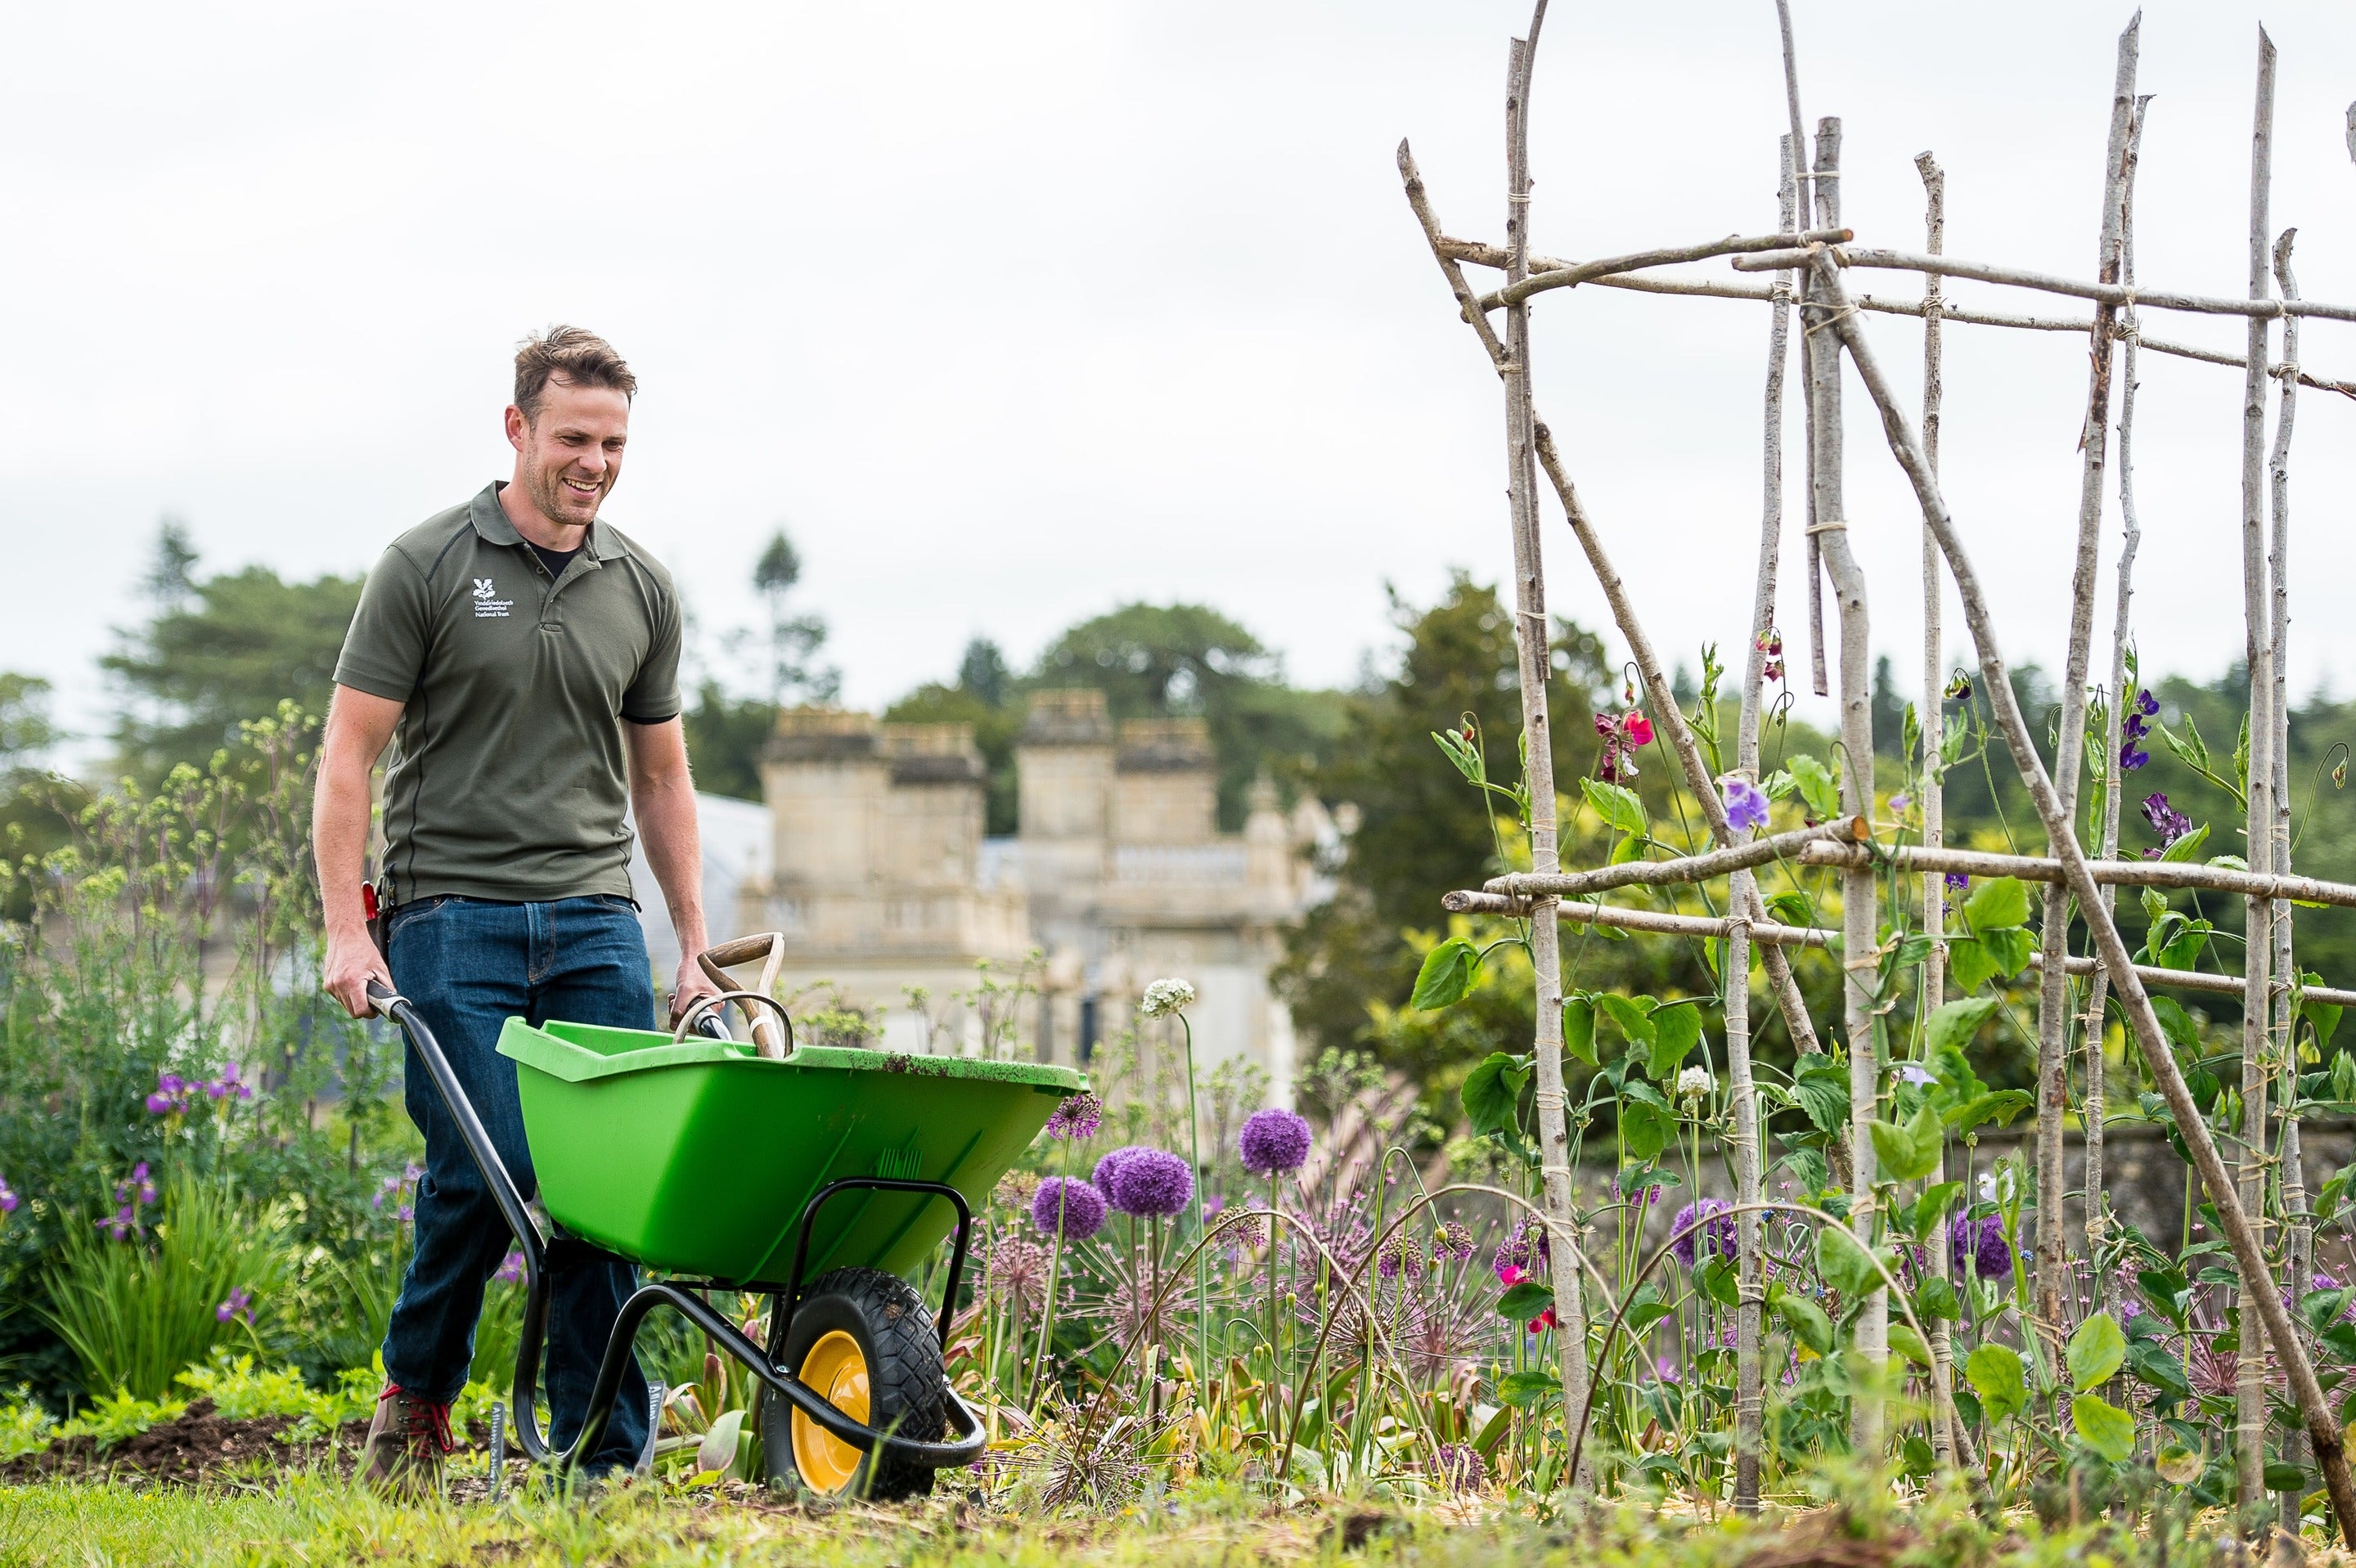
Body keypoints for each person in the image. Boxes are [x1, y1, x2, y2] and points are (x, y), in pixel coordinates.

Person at [314, 326, 722, 1491]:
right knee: (488, 1162)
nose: (594, 463)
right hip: (452, 916)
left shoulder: (639, 587)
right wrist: (350, 923)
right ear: (516, 430)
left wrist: (691, 942)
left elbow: (662, 776)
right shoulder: (429, 563)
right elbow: (350, 751)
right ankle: (422, 1390)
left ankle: (602, 1453)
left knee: (604, 1182)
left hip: (595, 919)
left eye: (614, 443)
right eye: (574, 438)